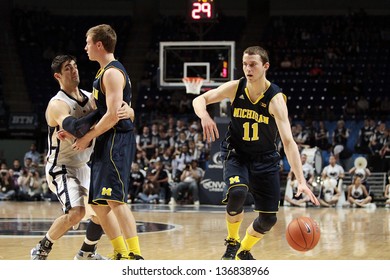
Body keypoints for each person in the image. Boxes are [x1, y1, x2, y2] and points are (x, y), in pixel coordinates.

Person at [192, 46, 319, 260]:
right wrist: (204, 115)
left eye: (253, 65)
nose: (247, 69)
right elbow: (200, 99)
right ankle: (232, 242)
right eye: (244, 64)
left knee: (269, 219)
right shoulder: (236, 87)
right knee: (237, 193)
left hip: (266, 159)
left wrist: (301, 181)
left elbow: (288, 142)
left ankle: (243, 250)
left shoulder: (275, 99)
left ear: (265, 66)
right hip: (237, 153)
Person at [30, 54, 132, 260]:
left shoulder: (89, 97)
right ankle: (42, 248)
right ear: (58, 75)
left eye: (75, 66)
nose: (74, 70)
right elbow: (76, 128)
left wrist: (125, 109)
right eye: (68, 68)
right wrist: (102, 116)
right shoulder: (57, 104)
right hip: (61, 166)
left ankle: (87, 251)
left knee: (101, 208)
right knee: (76, 213)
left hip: (84, 163)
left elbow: (113, 115)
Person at [73, 24, 142, 260]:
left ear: (99, 44)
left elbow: (113, 116)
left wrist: (86, 137)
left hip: (116, 140)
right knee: (99, 203)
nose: (85, 47)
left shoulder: (112, 72)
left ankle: (135, 255)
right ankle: (121, 252)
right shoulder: (103, 72)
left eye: (87, 42)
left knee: (114, 199)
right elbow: (105, 110)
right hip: (106, 140)